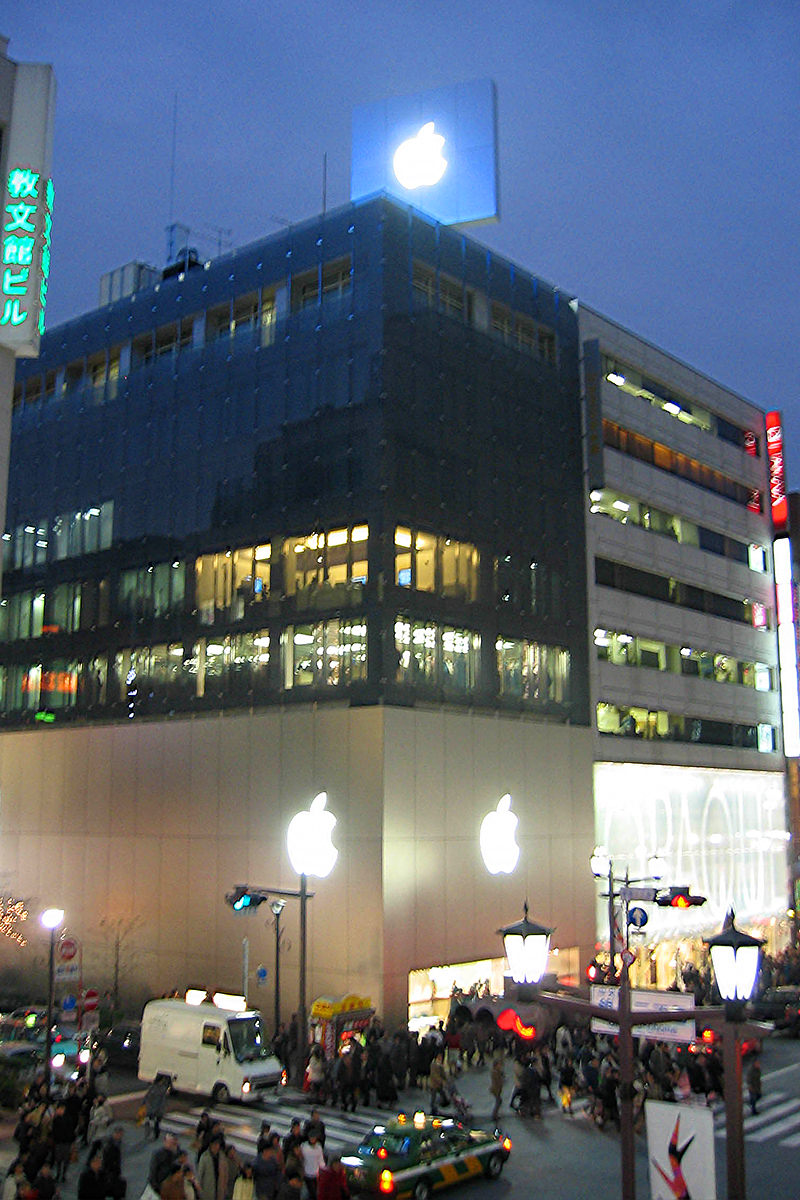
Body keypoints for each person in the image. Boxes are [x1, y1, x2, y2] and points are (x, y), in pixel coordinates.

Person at [197, 1135, 229, 1200]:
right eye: (215, 1144)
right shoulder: (205, 1157)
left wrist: (225, 1188)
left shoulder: (222, 1157)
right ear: (211, 1145)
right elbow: (200, 1175)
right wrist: (199, 1192)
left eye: (218, 1144)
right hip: (208, 1189)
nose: (217, 1146)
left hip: (219, 1189)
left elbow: (226, 1173)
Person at [102, 1126, 127, 1199]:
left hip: (114, 1171)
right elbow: (107, 1159)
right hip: (111, 1171)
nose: (121, 1136)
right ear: (116, 1134)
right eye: (120, 1134)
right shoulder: (110, 1144)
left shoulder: (116, 1142)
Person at [299, 1134, 325, 1200]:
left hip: (315, 1174)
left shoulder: (318, 1147)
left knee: (314, 1191)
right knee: (311, 1191)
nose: (312, 1140)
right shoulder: (304, 1146)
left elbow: (320, 1159)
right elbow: (301, 1157)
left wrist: (323, 1168)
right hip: (306, 1173)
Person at [490, 1051, 505, 1123]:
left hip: (497, 1089)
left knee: (499, 1101)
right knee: (498, 1101)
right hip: (496, 1089)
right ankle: (494, 1115)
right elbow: (497, 1082)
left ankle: (495, 1114)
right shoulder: (495, 1072)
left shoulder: (497, 1071)